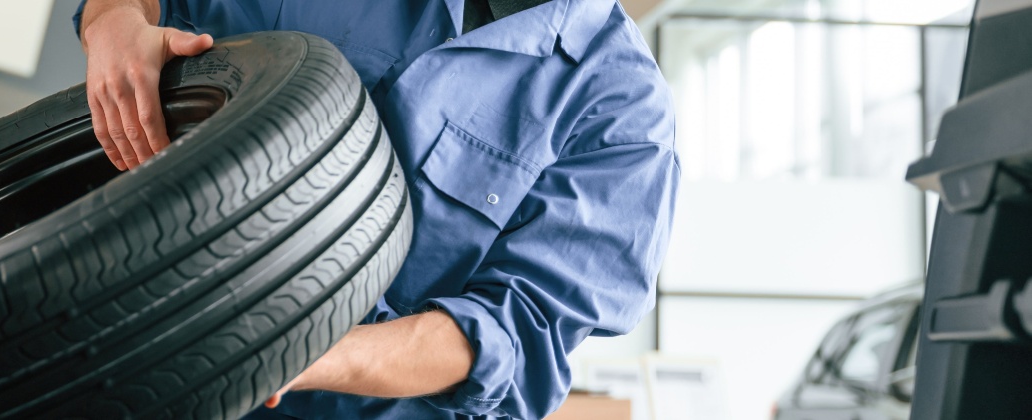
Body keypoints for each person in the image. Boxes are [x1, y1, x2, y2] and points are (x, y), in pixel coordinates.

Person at [75, 0, 679, 418]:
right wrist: (114, 19)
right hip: (133, 355)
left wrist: (304, 348)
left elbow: (513, 336)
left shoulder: (626, 119)